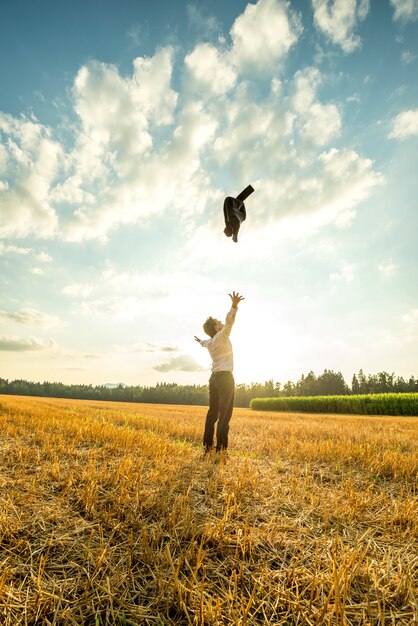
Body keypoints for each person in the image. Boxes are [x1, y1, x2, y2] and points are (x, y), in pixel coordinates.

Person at [194, 291, 245, 455]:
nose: (221, 323)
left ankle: (207, 446)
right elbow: (230, 321)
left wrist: (199, 341)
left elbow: (203, 343)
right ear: (216, 327)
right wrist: (234, 306)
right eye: (218, 322)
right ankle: (220, 448)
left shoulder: (209, 342)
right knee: (224, 414)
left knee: (212, 412)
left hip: (214, 378)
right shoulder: (222, 336)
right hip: (225, 379)